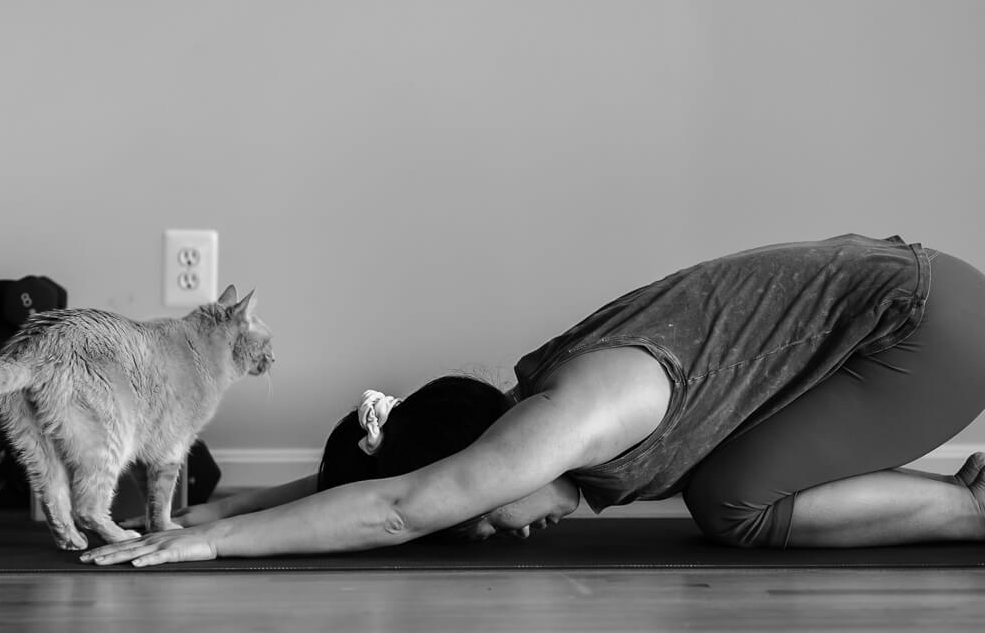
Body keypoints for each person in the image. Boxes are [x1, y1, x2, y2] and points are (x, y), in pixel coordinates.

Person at [81, 233, 985, 568]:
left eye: (480, 513)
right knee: (726, 495)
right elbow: (380, 478)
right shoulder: (534, 402)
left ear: (488, 455)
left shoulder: (578, 413)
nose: (502, 530)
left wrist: (213, 543)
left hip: (928, 325)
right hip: (906, 312)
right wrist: (230, 502)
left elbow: (399, 508)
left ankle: (975, 511)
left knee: (737, 507)